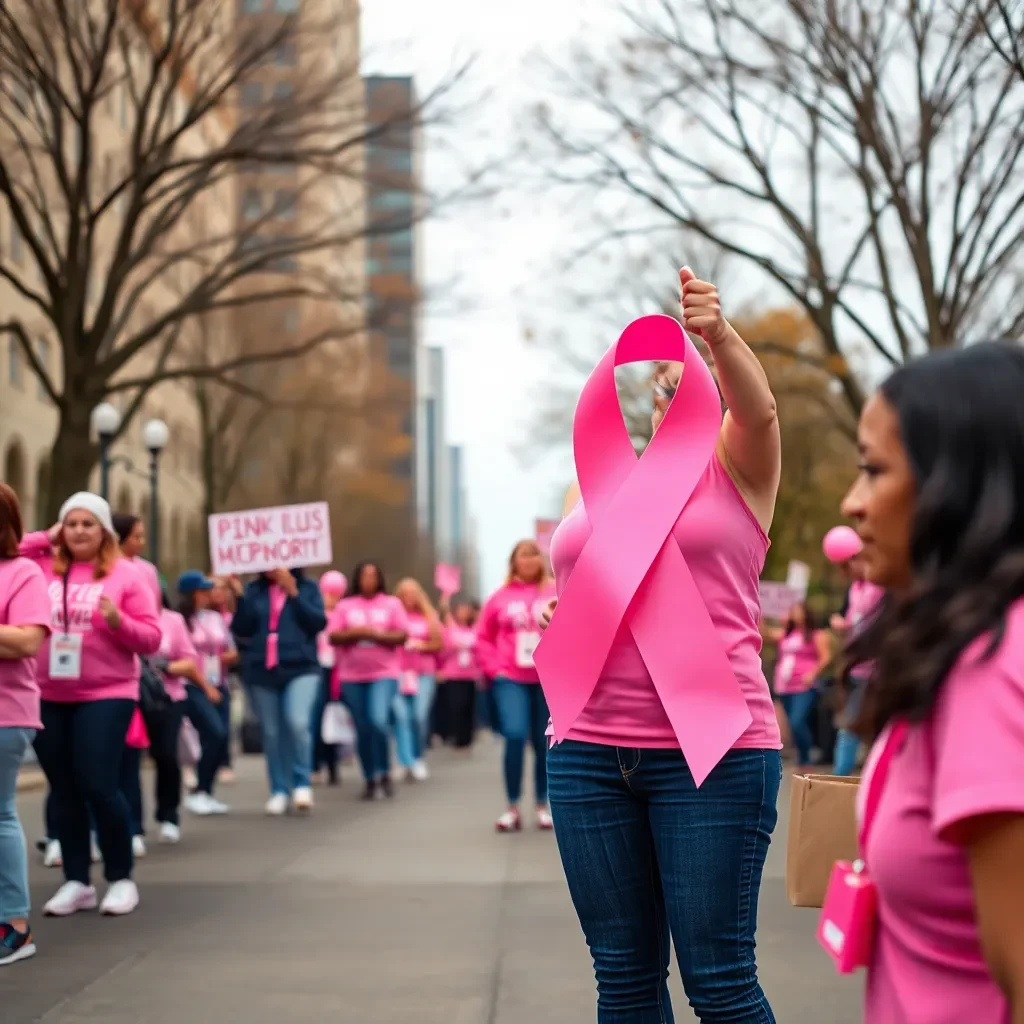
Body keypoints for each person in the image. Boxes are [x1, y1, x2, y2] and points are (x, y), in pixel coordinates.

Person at [540, 269, 783, 1021]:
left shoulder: (739, 469)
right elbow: (589, 577)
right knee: (622, 977)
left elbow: (761, 408)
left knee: (719, 980)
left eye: (696, 378)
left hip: (712, 750)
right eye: (663, 383)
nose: (676, 388)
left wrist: (718, 335)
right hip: (586, 749)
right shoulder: (594, 483)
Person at [839, 342, 1024, 1023]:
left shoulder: (994, 667)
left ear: (962, 483)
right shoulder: (953, 650)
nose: (851, 502)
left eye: (873, 470)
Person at [23, 492, 161, 917]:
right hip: (47, 692)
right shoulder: (40, 567)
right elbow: (8, 548)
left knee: (98, 783)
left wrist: (119, 622)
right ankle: (77, 882)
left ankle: (120, 877)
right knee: (63, 788)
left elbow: (153, 638)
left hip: (108, 692)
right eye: (72, 523)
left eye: (88, 523)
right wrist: (45, 536)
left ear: (104, 531)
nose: (79, 531)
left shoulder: (126, 576)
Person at [0, 483, 50, 964]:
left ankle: (13, 926)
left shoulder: (22, 573)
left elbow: (27, 641)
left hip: (4, 713)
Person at [229, 568, 326, 815]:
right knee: (272, 732)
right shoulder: (254, 590)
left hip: (301, 667)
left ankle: (302, 781)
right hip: (262, 669)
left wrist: (294, 592)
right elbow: (242, 628)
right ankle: (279, 789)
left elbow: (318, 622)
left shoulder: (308, 587)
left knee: (298, 722)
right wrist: (239, 597)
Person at [475, 540, 556, 832]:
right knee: (513, 734)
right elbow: (483, 636)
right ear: (514, 561)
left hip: (547, 678)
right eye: (524, 555)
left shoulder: (554, 591)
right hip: (510, 677)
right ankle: (512, 805)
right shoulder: (499, 597)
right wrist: (493, 669)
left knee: (543, 741)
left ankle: (542, 804)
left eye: (535, 554)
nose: (530, 560)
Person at [330, 562, 407, 801]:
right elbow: (333, 635)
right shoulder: (345, 606)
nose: (369, 580)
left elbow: (402, 635)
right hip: (352, 676)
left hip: (384, 674)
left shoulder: (391, 604)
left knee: (378, 721)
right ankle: (370, 776)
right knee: (362, 728)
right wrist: (356, 633)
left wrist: (377, 634)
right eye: (364, 575)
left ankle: (384, 770)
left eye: (373, 575)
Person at [144, 590, 204, 845]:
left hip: (168, 698)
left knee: (166, 756)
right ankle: (133, 826)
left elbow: (189, 662)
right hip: (130, 696)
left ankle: (169, 815)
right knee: (123, 761)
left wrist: (162, 666)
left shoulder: (172, 620)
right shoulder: (123, 616)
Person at [176, 572, 230, 816]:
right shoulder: (179, 620)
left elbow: (226, 648)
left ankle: (206, 791)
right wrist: (205, 686)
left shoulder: (215, 618)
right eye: (204, 590)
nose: (209, 594)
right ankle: (198, 790)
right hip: (191, 685)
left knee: (220, 737)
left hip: (217, 683)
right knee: (214, 732)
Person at [829, 554, 884, 775]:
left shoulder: (878, 586)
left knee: (853, 727)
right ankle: (842, 777)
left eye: (853, 562)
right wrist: (842, 624)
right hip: (854, 667)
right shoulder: (854, 589)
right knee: (851, 725)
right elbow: (856, 622)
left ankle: (840, 777)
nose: (850, 568)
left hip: (875, 668)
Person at [762, 601, 830, 772]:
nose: (794, 614)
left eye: (798, 611)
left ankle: (805, 758)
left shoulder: (816, 635)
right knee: (792, 724)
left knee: (797, 721)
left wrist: (813, 674)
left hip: (804, 685)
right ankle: (802, 757)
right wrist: (759, 612)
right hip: (785, 686)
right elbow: (764, 633)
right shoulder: (787, 634)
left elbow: (826, 657)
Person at [393, 578, 442, 782]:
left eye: (413, 592)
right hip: (397, 673)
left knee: (418, 716)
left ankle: (417, 757)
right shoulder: (393, 614)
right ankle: (405, 762)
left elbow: (439, 644)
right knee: (401, 717)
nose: (409, 597)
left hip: (423, 673)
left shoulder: (429, 616)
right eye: (405, 593)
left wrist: (421, 646)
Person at [312, 570, 346, 785]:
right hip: (317, 669)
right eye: (327, 593)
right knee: (316, 718)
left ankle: (333, 763)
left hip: (339, 670)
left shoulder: (343, 613)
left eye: (335, 594)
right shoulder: (315, 614)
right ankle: (316, 763)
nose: (330, 598)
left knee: (334, 718)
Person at [436, 598, 481, 751]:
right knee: (456, 706)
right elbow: (442, 648)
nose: (463, 613)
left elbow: (480, 647)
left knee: (469, 707)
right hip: (453, 674)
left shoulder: (474, 629)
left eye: (466, 611)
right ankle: (455, 736)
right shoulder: (450, 629)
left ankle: (467, 738)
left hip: (470, 674)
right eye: (460, 610)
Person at [112, 513, 161, 609]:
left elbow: (155, 606)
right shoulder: (103, 565)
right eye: (137, 537)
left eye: (141, 537)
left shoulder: (147, 569)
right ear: (119, 538)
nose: (142, 542)